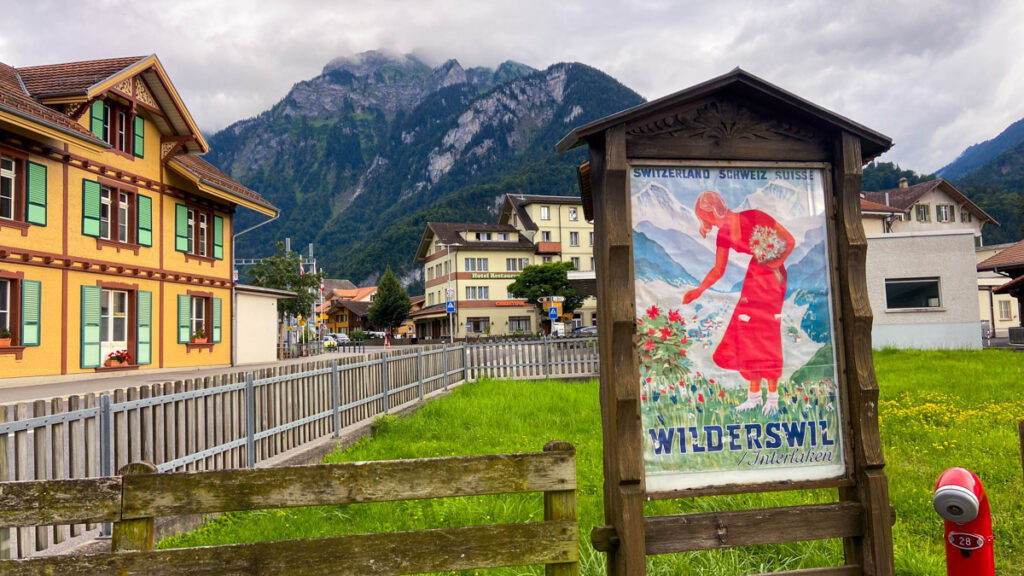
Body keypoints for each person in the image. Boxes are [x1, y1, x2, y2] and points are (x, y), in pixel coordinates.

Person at [682, 190, 795, 415]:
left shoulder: (753, 216)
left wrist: (771, 260)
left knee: (767, 334)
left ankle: (772, 398)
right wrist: (699, 290)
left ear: (713, 211)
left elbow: (788, 240)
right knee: (746, 334)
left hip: (772, 279)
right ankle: (754, 396)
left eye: (706, 218)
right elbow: (718, 269)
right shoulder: (724, 234)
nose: (708, 224)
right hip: (754, 279)